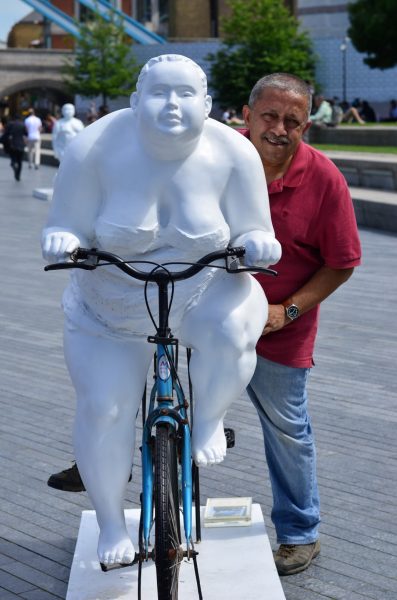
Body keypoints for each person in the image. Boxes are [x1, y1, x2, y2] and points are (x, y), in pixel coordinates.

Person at [41, 54, 281, 568]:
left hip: (202, 290)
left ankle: (211, 419)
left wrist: (260, 243)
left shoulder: (234, 152)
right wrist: (62, 238)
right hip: (109, 303)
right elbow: (62, 225)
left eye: (185, 94)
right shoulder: (95, 148)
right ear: (134, 101)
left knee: (237, 326)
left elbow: (256, 230)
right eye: (159, 93)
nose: (172, 104)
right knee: (104, 409)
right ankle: (110, 522)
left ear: (207, 104)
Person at [241, 73, 361, 576]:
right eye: (269, 115)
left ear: (306, 125)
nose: (279, 128)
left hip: (278, 327)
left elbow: (342, 261)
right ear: (246, 115)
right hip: (202, 317)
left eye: (293, 120)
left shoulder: (325, 178)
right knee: (158, 403)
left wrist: (286, 311)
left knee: (288, 433)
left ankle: (300, 534)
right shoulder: (216, 157)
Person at [1, 113, 27, 181]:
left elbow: (6, 134)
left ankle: (14, 166)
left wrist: (1, 140)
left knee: (13, 159)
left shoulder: (10, 124)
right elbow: (26, 134)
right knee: (20, 161)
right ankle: (18, 175)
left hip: (12, 145)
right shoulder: (22, 124)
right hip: (21, 145)